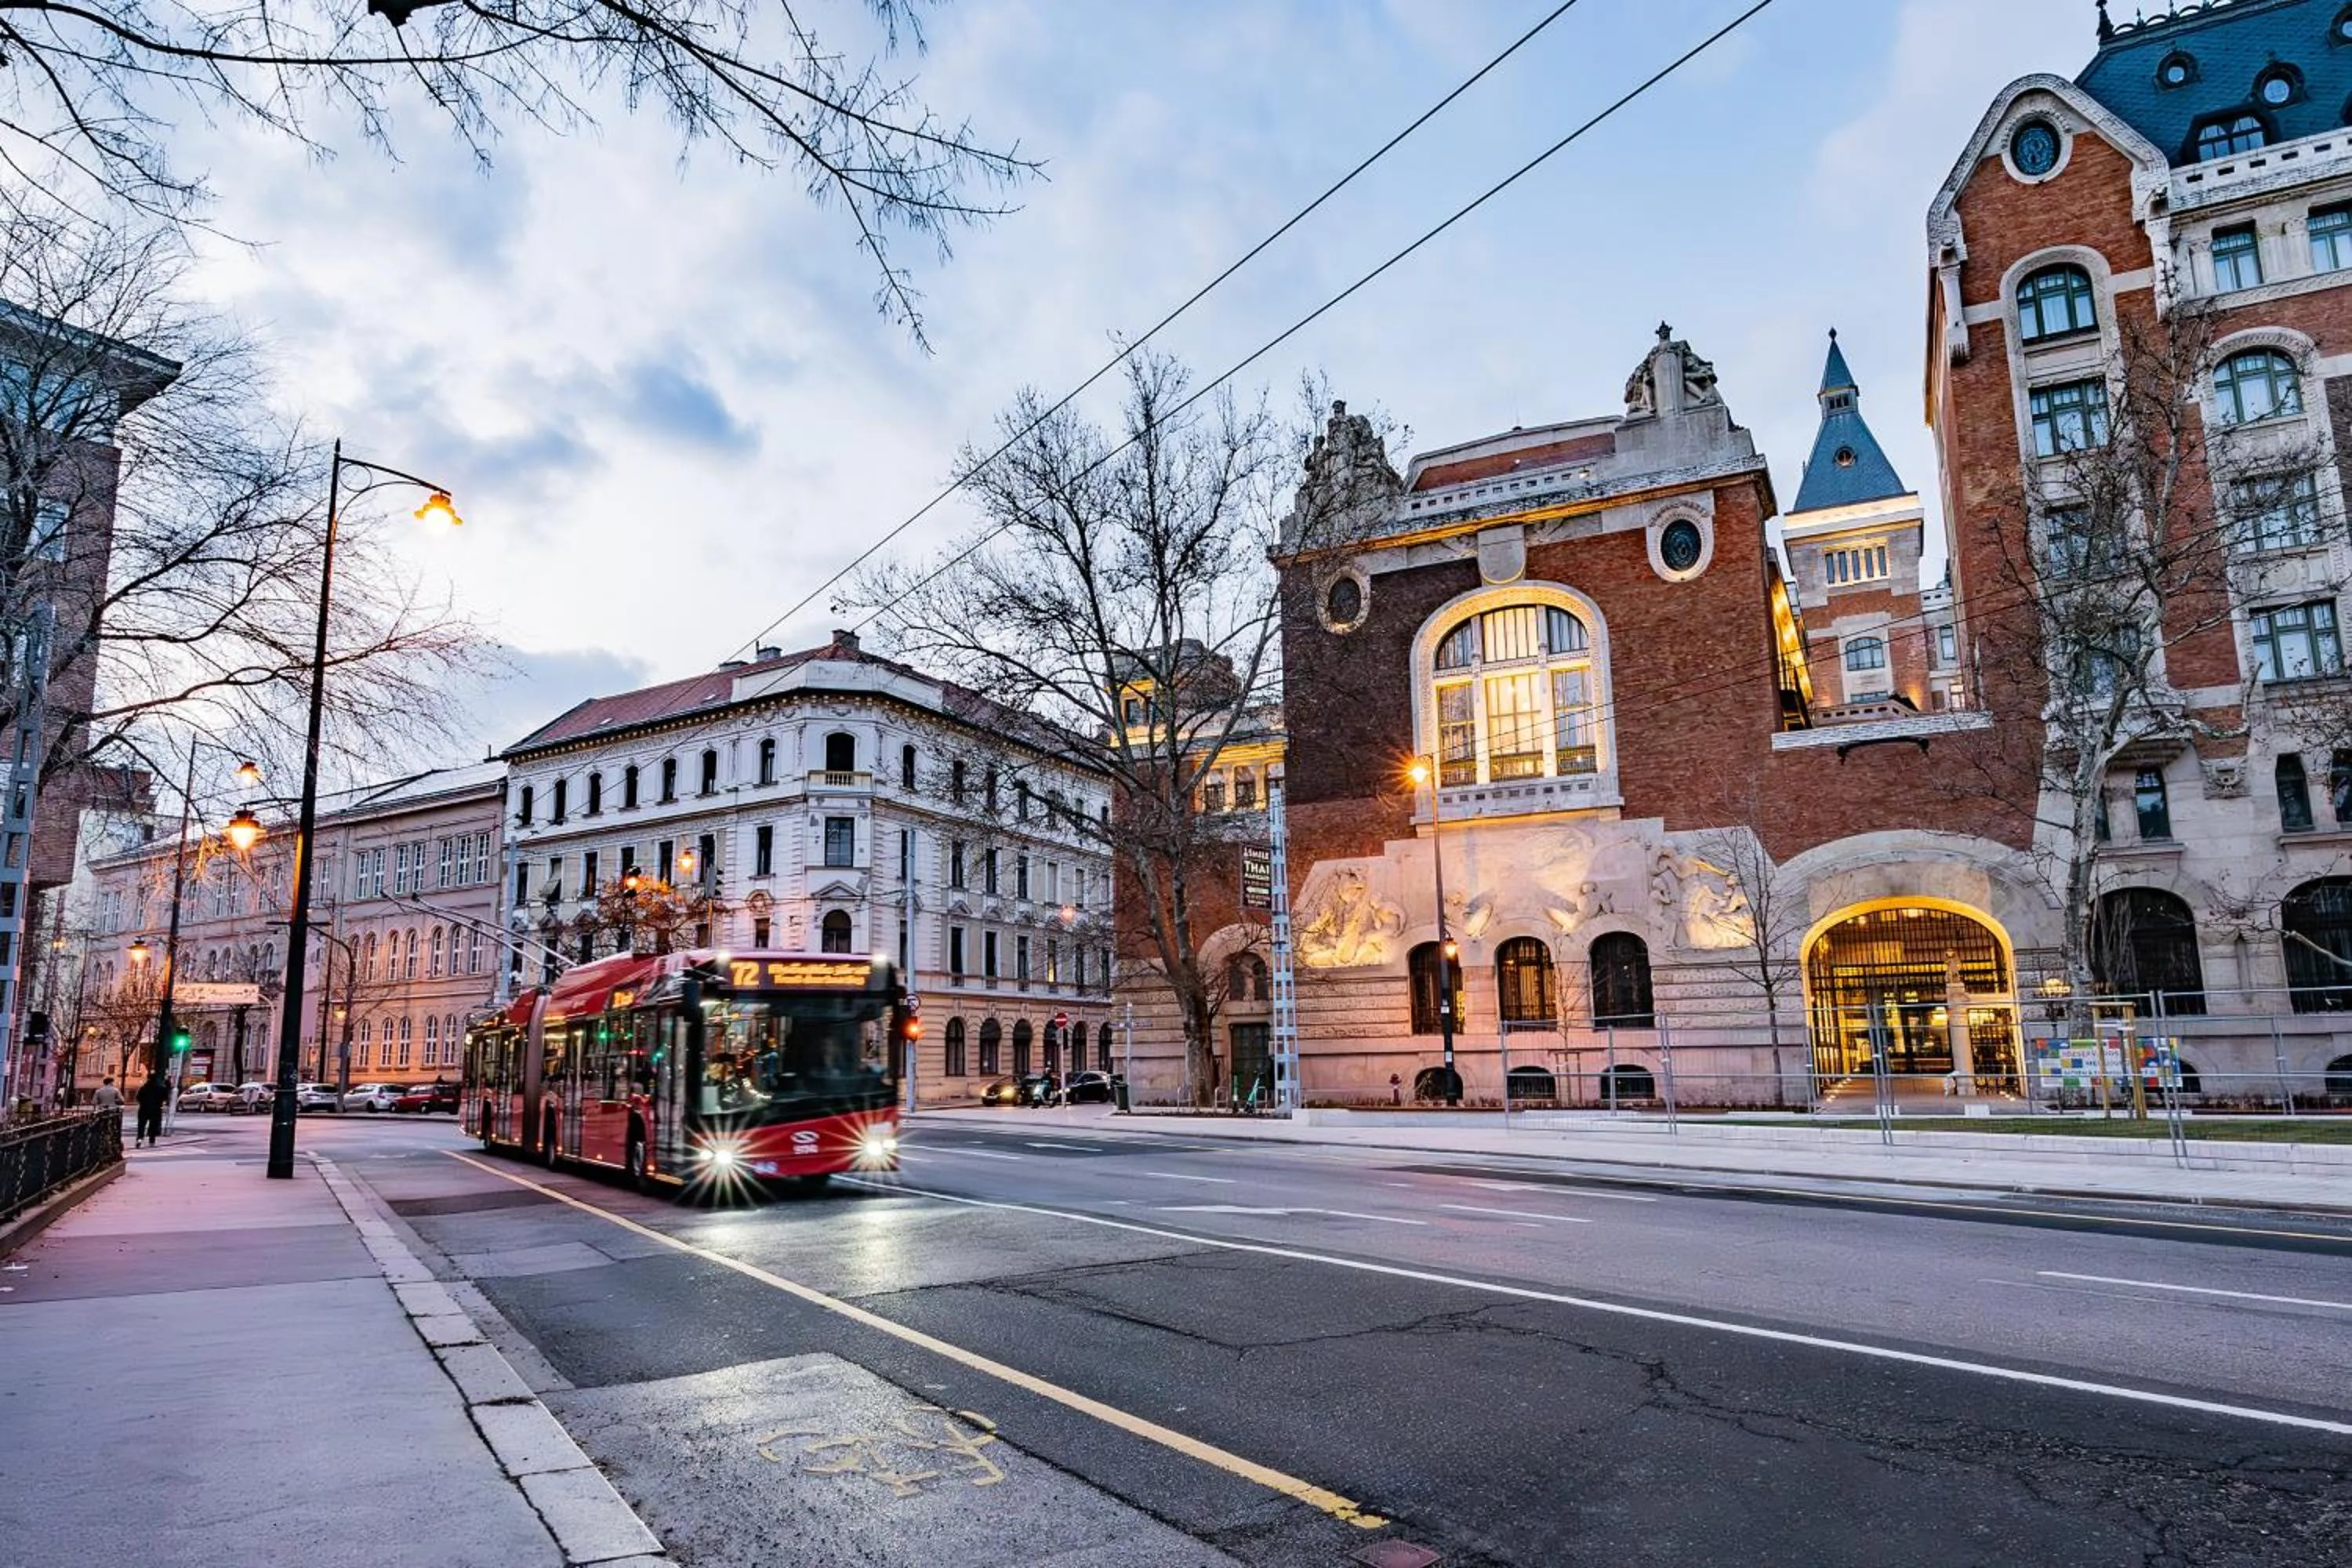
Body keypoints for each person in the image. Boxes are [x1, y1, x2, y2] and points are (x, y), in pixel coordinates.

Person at [133, 1073, 167, 1147]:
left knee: (141, 1125)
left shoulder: (144, 1088)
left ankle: (139, 1139)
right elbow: (165, 1098)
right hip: (156, 1109)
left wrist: (143, 1102)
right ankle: (152, 1140)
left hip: (144, 1108)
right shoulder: (161, 1088)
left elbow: (138, 1098)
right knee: (153, 1125)